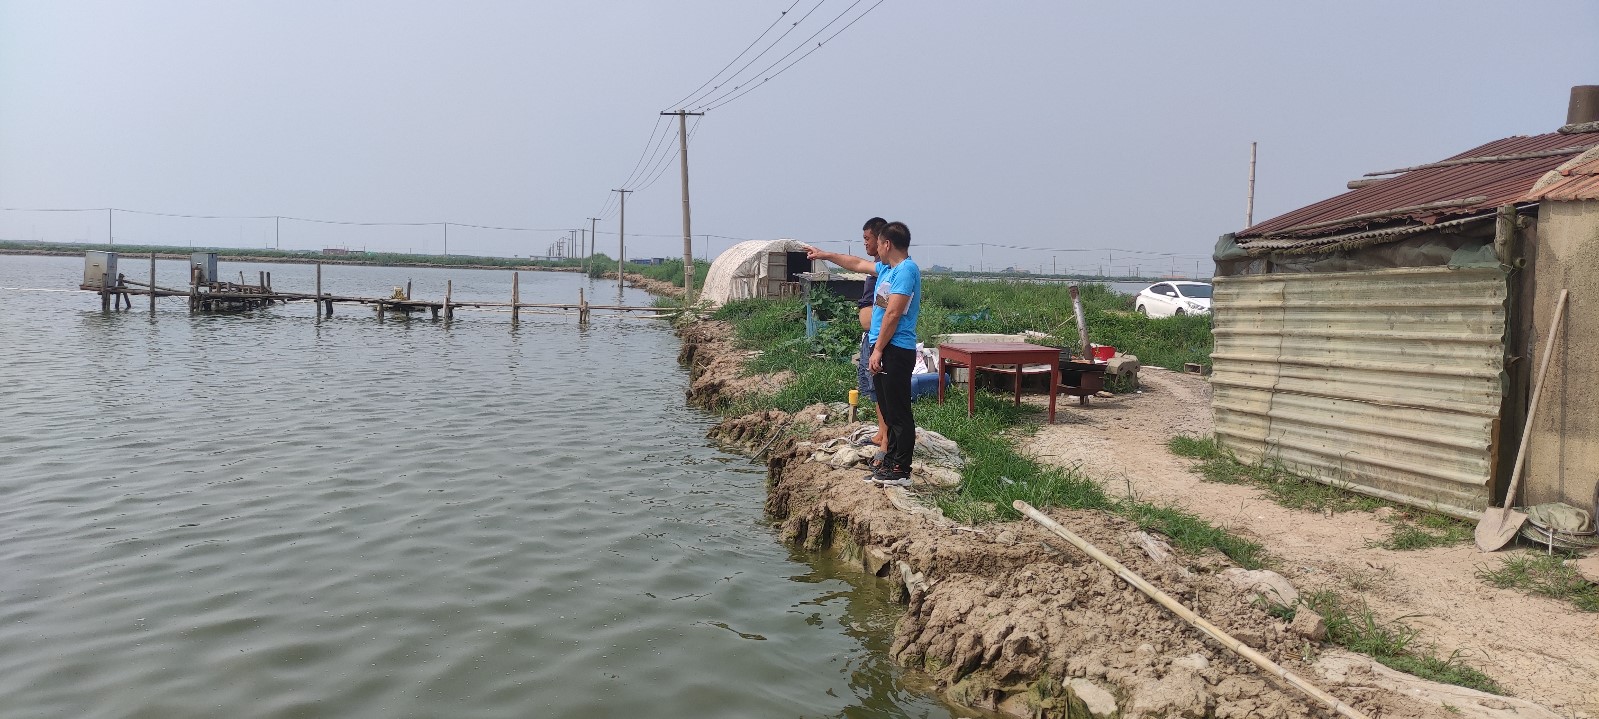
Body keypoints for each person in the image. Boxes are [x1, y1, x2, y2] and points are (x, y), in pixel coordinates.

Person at [808, 220, 921, 486]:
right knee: (888, 410)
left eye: (877, 243)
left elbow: (893, 313)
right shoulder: (887, 269)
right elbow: (856, 264)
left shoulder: (906, 270)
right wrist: (824, 255)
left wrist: (878, 349)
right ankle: (890, 462)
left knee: (899, 412)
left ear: (887, 244)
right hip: (882, 347)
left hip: (895, 348)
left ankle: (901, 469)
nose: (875, 249)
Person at [855, 218, 888, 453]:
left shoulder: (887, 270)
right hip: (870, 336)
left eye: (868, 239)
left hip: (877, 337)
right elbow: (854, 263)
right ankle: (881, 432)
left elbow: (888, 308)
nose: (865, 243)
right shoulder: (875, 268)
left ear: (881, 240)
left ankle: (886, 437)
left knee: (880, 387)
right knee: (873, 387)